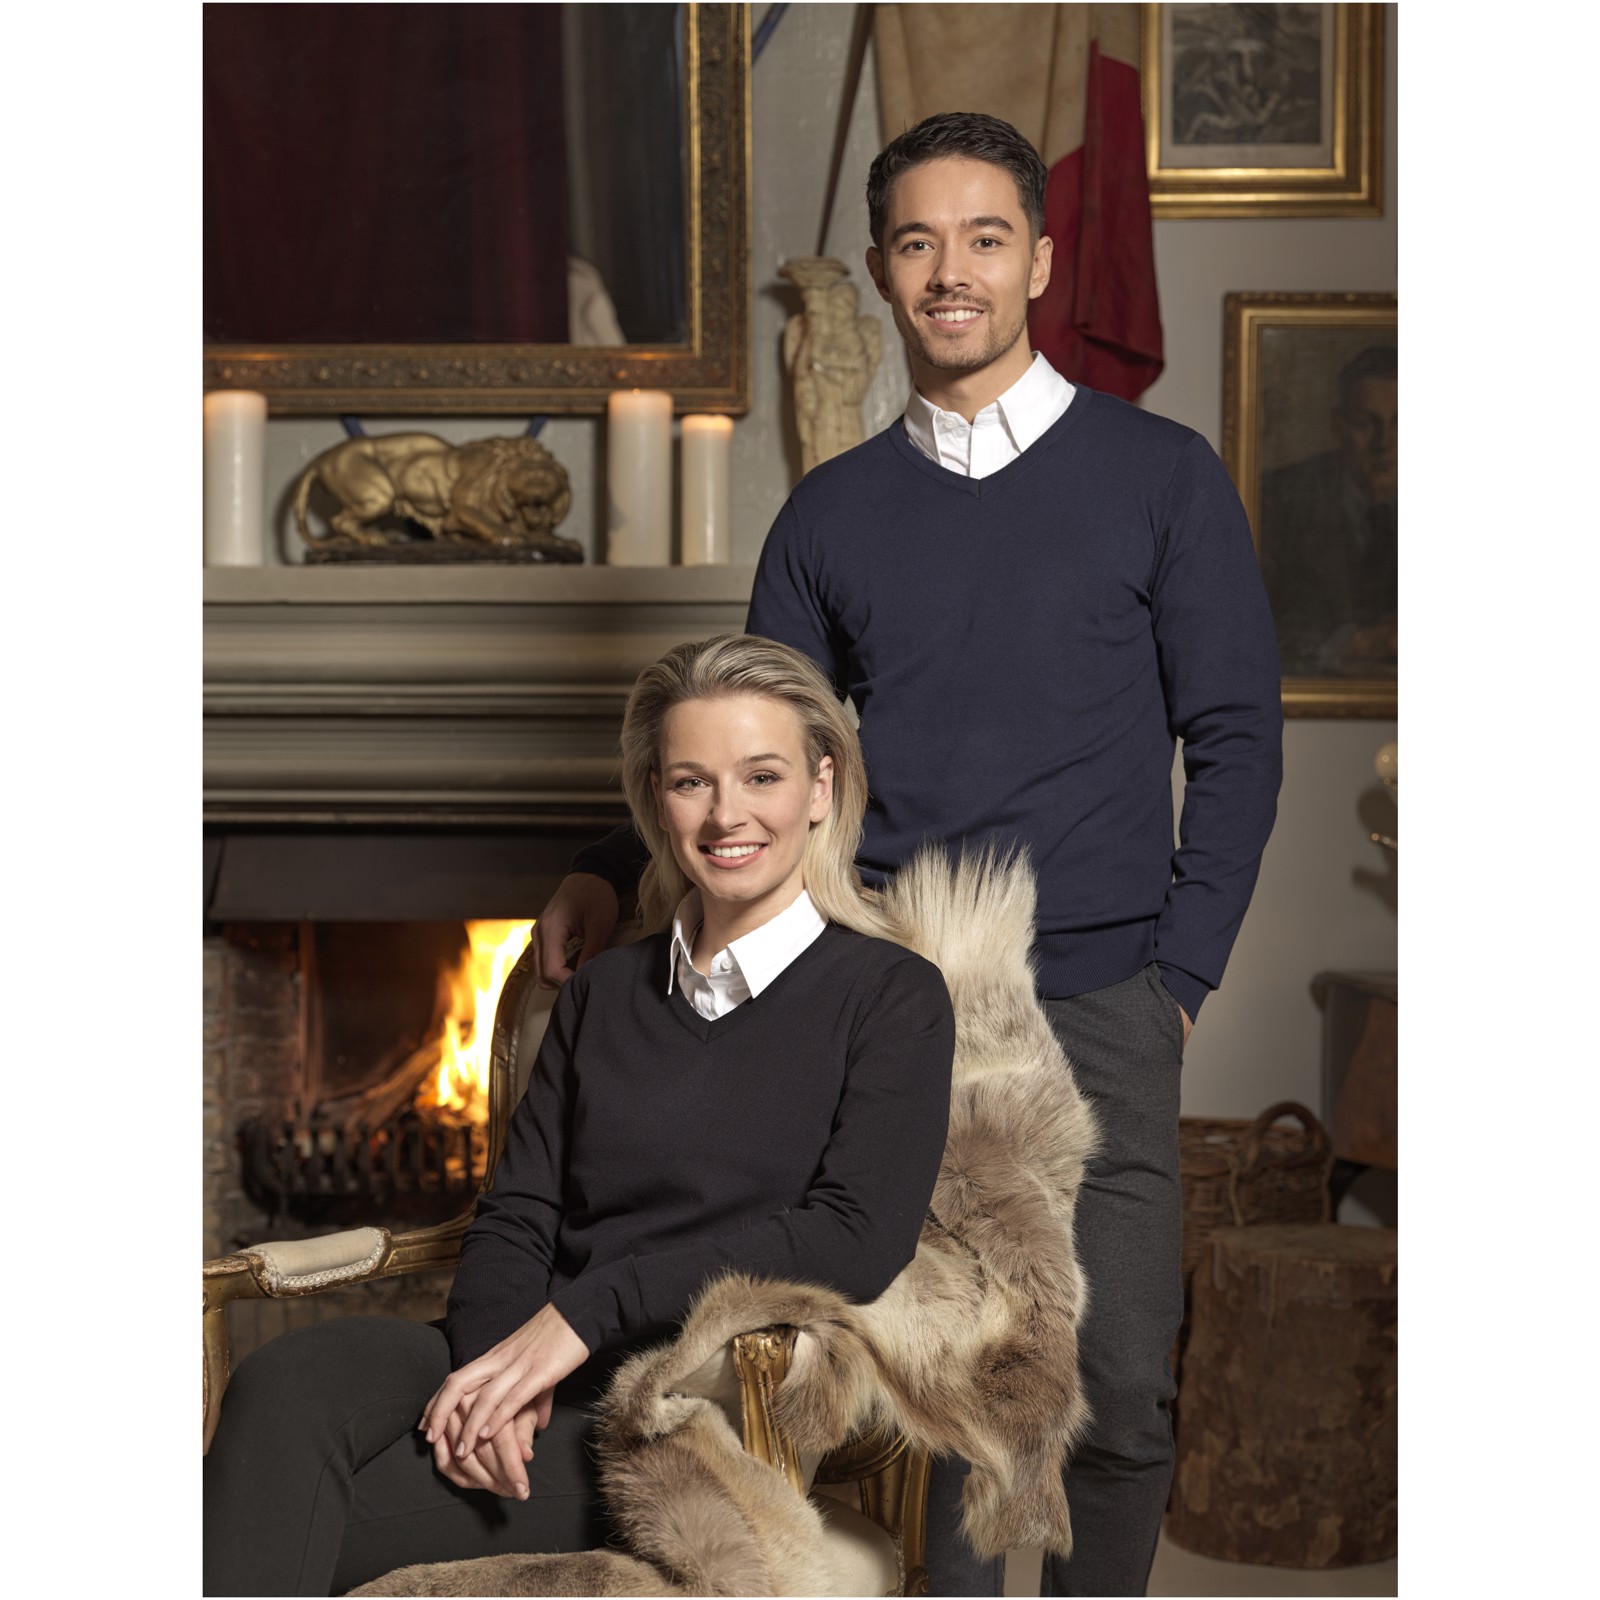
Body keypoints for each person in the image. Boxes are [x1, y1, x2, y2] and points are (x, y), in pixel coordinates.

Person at [533, 112, 1283, 1597]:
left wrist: (1179, 980)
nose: (952, 272)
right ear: (881, 269)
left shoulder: (1163, 477)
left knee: (1120, 1389)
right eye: (919, 242)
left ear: (1039, 262)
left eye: (984, 238)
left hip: (1103, 999)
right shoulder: (832, 515)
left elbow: (1239, 742)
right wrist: (601, 863)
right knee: (933, 1390)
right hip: (895, 999)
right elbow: (754, 746)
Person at [203, 635, 955, 1597]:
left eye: (761, 776)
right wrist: (503, 1375)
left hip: (686, 1407)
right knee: (288, 1381)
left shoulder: (892, 995)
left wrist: (580, 1317)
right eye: (691, 782)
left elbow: (854, 1235)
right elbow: (519, 1210)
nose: (726, 814)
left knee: (270, 1508)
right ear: (655, 801)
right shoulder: (604, 991)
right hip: (535, 1352)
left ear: (821, 786)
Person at [1258, 344, 1398, 677]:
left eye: (1401, 423)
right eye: (1365, 424)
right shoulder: (1281, 498)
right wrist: (1351, 643)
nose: (1384, 443)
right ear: (1339, 425)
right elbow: (1250, 620)